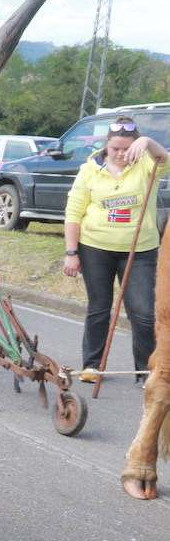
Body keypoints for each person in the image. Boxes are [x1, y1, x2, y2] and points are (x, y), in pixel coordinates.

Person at [62, 115, 170, 384]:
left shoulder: (147, 165)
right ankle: (92, 366)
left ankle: (145, 371)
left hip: (140, 251)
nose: (121, 154)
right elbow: (74, 212)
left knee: (143, 312)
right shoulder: (89, 170)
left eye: (127, 148)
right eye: (115, 149)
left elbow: (165, 158)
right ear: (106, 146)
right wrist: (71, 252)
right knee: (99, 307)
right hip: (94, 248)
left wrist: (146, 142)